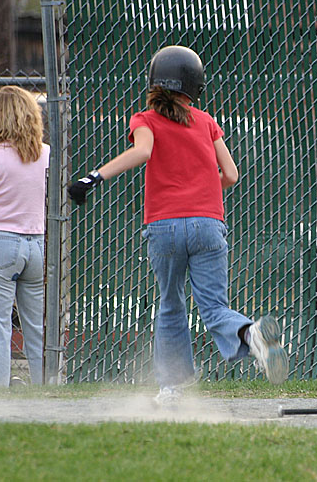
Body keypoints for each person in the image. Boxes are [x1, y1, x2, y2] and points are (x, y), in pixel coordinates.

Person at [68, 45, 289, 407]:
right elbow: (231, 175)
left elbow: (142, 153)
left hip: (165, 226)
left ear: (154, 82)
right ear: (195, 86)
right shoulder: (206, 121)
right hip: (207, 224)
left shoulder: (145, 119)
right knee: (214, 306)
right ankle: (250, 334)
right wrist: (200, 187)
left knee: (172, 303)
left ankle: (172, 388)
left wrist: (94, 178)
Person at [0, 86, 50, 387]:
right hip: (36, 243)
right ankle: (43, 387)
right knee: (35, 327)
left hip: (0, 240)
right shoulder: (44, 154)